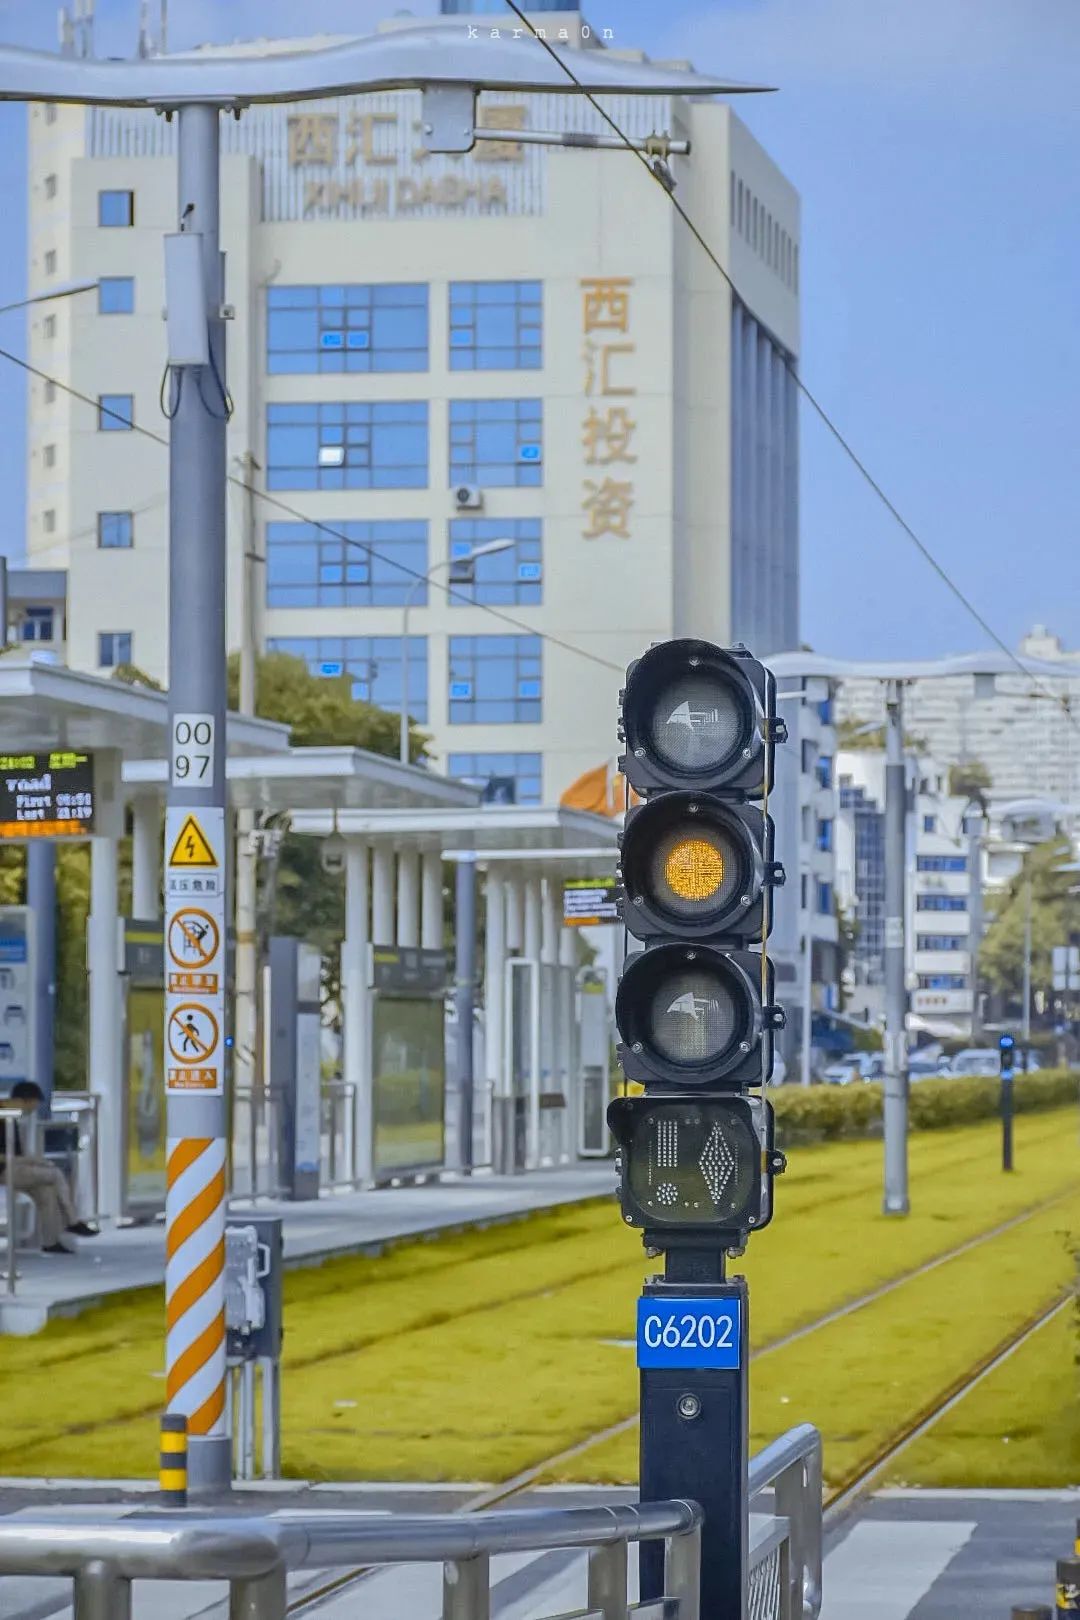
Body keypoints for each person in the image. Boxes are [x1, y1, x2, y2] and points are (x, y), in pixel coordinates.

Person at [0, 1082, 99, 1253]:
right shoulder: (4, 1115)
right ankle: (73, 1221)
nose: (33, 1110)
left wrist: (34, 1161)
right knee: (55, 1174)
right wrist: (34, 1161)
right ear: (26, 1101)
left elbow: (16, 1154)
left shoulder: (12, 1116)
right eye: (33, 1105)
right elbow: (8, 1156)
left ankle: (50, 1242)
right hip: (3, 1169)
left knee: (46, 1191)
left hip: (13, 1166)